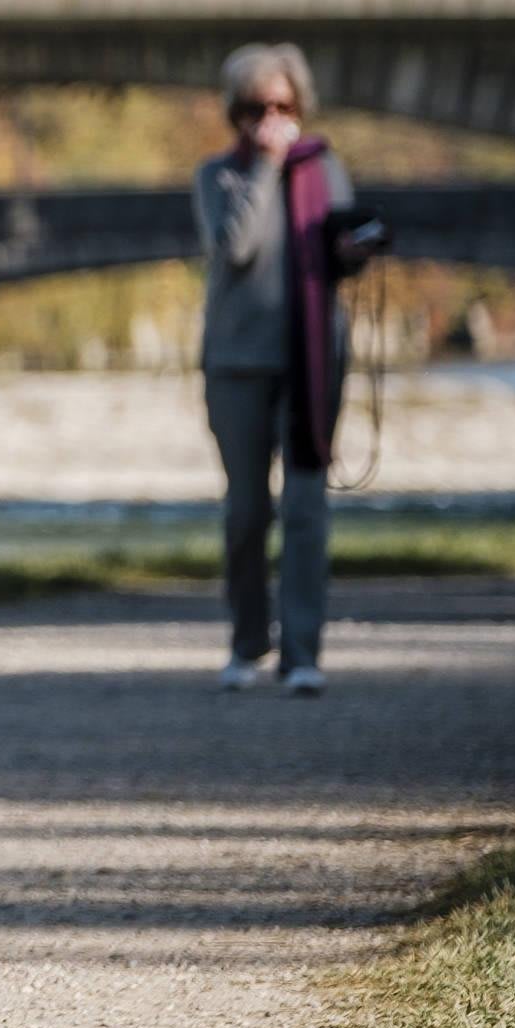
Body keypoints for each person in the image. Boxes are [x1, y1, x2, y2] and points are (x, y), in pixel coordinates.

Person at [196, 43, 355, 697]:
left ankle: (303, 652)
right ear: (237, 113)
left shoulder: (325, 170)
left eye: (285, 107)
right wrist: (265, 167)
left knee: (307, 506)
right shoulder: (218, 176)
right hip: (237, 362)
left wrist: (358, 246)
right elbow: (235, 249)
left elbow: (337, 251)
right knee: (246, 511)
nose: (273, 120)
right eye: (258, 108)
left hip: (312, 361)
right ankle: (246, 640)